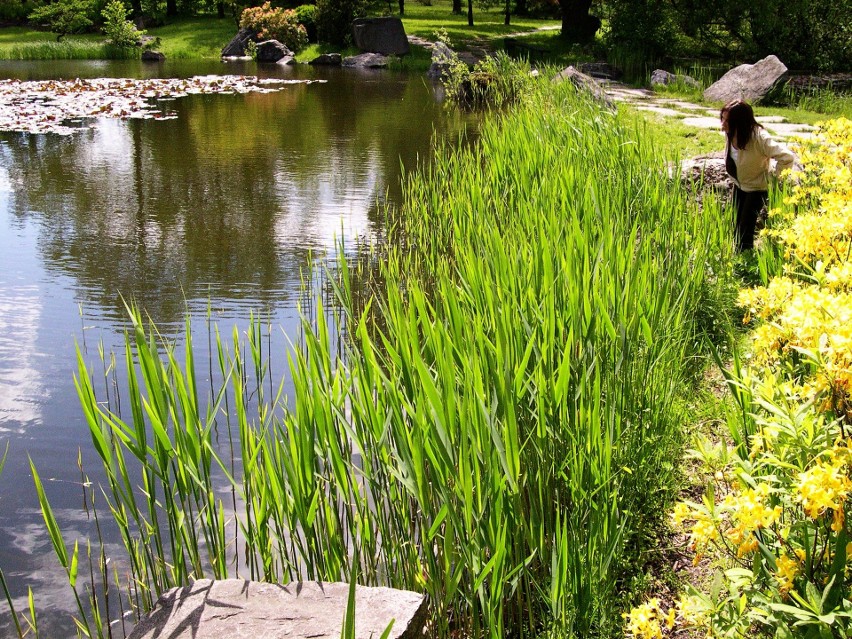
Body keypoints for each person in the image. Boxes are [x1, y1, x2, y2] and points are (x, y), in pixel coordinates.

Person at [720, 99, 797, 251]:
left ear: (740, 123)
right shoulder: (730, 132)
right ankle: (738, 256)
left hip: (756, 189)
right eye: (722, 118)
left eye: (728, 121)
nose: (723, 125)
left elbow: (787, 157)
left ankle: (745, 265)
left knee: (745, 230)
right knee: (734, 223)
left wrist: (773, 179)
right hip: (739, 185)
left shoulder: (759, 138)